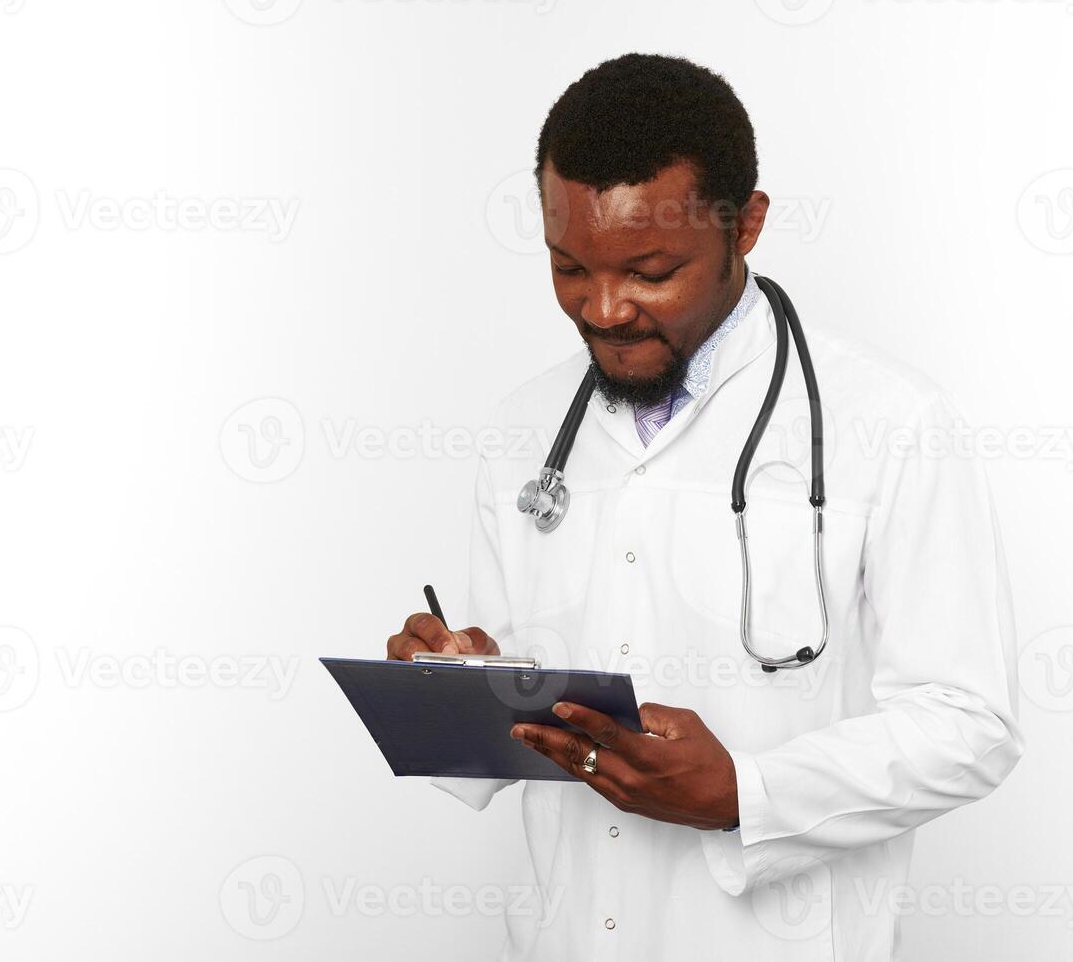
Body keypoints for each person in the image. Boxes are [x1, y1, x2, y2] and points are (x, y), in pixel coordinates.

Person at [385, 52, 1024, 962]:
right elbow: (514, 727)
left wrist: (748, 794)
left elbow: (971, 724)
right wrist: (455, 685)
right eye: (570, 269)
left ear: (746, 225)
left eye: (650, 271)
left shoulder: (891, 425)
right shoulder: (521, 429)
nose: (604, 309)